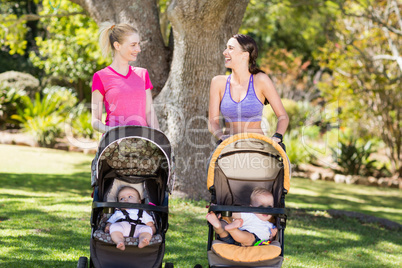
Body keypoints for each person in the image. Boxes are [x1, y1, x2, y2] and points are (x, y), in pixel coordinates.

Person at [208, 34, 289, 144]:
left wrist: (277, 136)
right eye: (226, 48)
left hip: (258, 147)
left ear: (245, 55)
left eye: (230, 48)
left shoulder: (261, 80)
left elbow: (283, 116)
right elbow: (212, 122)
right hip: (229, 147)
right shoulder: (218, 82)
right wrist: (221, 136)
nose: (225, 52)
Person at [91, 22, 159, 134]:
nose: (138, 49)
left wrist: (157, 137)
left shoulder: (143, 74)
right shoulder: (101, 77)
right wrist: (113, 132)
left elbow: (149, 112)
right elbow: (95, 120)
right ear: (117, 46)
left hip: (141, 143)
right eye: (133, 45)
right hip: (114, 144)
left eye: (138, 44)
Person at [206, 187, 277, 247]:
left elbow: (269, 240)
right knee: (249, 238)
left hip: (235, 241)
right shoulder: (251, 215)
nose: (266, 210)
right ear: (251, 208)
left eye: (269, 207)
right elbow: (235, 213)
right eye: (261, 207)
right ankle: (223, 227)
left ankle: (219, 226)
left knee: (223, 233)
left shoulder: (271, 225)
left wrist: (273, 235)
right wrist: (223, 211)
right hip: (249, 240)